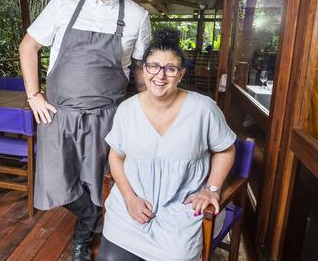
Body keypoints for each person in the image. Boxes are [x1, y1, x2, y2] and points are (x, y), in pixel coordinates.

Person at [19, 0, 151, 261]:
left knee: (97, 184)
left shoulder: (137, 16)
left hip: (108, 117)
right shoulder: (62, 5)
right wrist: (34, 95)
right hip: (58, 114)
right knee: (53, 182)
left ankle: (81, 239)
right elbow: (28, 47)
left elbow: (140, 71)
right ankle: (91, 222)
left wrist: (149, 112)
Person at [97, 27, 236, 261]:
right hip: (130, 210)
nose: (160, 76)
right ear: (143, 70)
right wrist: (130, 199)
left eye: (170, 69)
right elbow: (116, 157)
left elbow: (226, 149)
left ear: (181, 74)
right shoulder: (127, 109)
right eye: (153, 66)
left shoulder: (204, 109)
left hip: (180, 213)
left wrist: (211, 188)